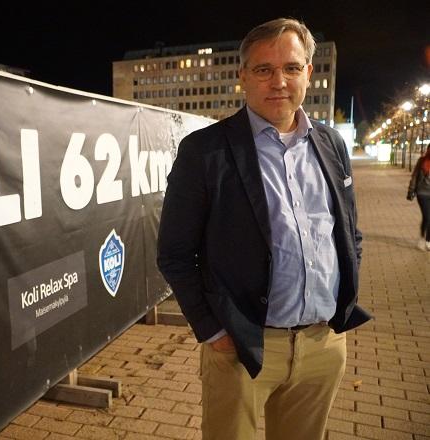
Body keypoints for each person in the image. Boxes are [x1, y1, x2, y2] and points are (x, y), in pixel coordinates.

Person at [157, 18, 371, 440]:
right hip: (241, 345)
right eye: (263, 69)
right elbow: (175, 254)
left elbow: (349, 232)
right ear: (243, 76)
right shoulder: (206, 150)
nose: (279, 82)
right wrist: (213, 331)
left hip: (322, 344)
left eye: (291, 68)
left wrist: (343, 299)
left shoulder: (331, 144)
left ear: (308, 72)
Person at [407, 148, 430, 251]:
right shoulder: (422, 161)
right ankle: (422, 237)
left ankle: (428, 240)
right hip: (422, 193)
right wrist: (411, 190)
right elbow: (415, 176)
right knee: (427, 217)